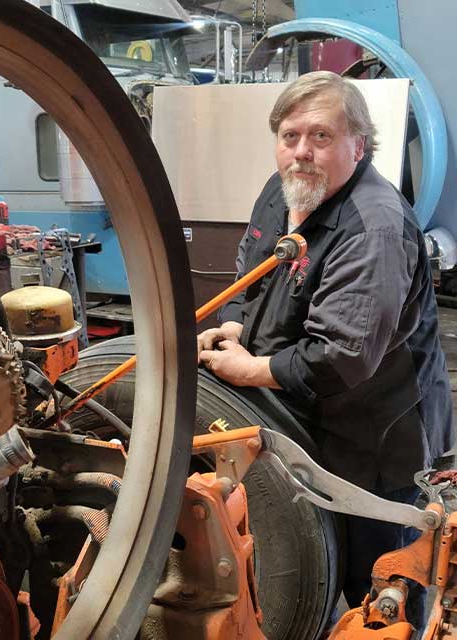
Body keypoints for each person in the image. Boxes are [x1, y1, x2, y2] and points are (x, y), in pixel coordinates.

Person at [197, 70, 453, 630]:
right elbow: (249, 269)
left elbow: (342, 356)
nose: (301, 152)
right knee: (312, 560)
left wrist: (252, 368)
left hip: (375, 440)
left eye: (321, 136)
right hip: (304, 419)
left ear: (358, 145)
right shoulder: (283, 188)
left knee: (379, 586)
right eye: (290, 136)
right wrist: (234, 324)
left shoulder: (373, 227)